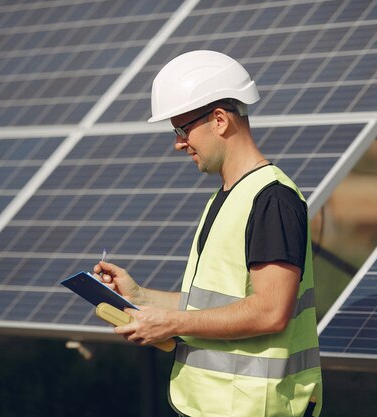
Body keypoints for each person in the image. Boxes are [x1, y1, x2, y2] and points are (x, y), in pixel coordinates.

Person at [94, 50, 323, 417]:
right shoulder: (229, 196)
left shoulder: (272, 199)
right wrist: (141, 296)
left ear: (219, 120)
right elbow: (214, 306)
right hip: (214, 405)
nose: (179, 143)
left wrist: (170, 322)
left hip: (255, 408)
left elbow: (270, 312)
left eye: (183, 130)